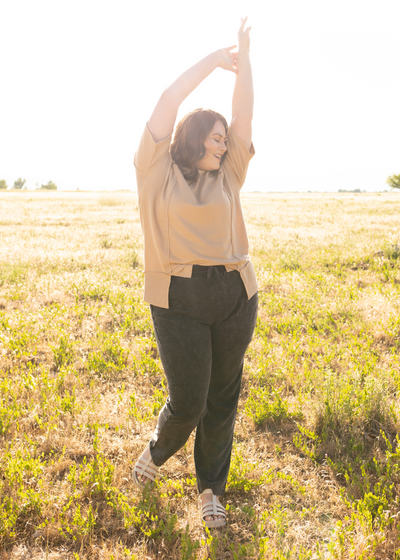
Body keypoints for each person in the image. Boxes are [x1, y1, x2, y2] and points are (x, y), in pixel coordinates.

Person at [132, 18, 258, 528]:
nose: (224, 144)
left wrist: (244, 61)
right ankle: (158, 450)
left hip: (234, 293)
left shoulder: (229, 172)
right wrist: (212, 61)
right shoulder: (156, 169)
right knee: (188, 400)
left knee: (222, 397)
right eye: (216, 137)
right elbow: (167, 98)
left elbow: (245, 114)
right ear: (193, 137)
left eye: (226, 139)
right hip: (177, 298)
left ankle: (210, 490)